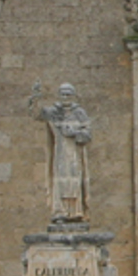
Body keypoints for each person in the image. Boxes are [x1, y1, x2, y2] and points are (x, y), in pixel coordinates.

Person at [32, 83, 92, 223]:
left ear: (73, 96)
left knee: (75, 181)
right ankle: (60, 212)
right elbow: (38, 114)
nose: (65, 97)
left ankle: (76, 211)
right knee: (59, 182)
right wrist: (36, 98)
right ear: (59, 96)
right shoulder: (54, 112)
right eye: (63, 94)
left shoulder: (79, 113)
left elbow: (88, 134)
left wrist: (75, 132)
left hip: (75, 154)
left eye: (68, 94)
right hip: (59, 153)